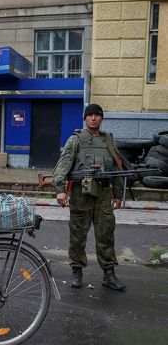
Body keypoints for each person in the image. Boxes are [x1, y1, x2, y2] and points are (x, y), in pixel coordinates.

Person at [51, 103, 126, 291]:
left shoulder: (109, 140)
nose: (93, 118)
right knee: (77, 235)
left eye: (97, 115)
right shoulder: (76, 140)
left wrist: (118, 194)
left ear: (101, 118)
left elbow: (117, 169)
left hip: (103, 195)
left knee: (106, 235)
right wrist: (60, 190)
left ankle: (109, 273)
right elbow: (62, 166)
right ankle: (77, 271)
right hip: (80, 194)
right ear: (85, 119)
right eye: (90, 115)